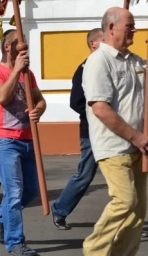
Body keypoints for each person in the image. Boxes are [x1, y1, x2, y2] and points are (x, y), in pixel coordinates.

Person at [82, 7, 147, 255]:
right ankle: (94, 249)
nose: (134, 30)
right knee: (125, 201)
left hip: (139, 146)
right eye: (129, 26)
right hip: (114, 144)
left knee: (138, 210)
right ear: (111, 28)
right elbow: (100, 108)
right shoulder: (99, 61)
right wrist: (137, 136)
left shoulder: (134, 60)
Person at [0, 29, 46, 256]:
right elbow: (1, 96)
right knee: (14, 191)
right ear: (7, 47)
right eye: (21, 47)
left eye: (26, 47)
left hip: (28, 138)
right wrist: (16, 71)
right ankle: (16, 242)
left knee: (31, 190)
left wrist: (38, 110)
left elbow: (40, 100)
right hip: (5, 140)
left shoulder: (28, 74)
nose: (25, 51)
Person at [51, 28, 103, 230]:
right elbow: (76, 102)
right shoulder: (84, 69)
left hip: (113, 131)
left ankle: (130, 222)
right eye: (103, 41)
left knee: (124, 175)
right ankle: (60, 209)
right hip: (91, 131)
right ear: (93, 44)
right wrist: (97, 113)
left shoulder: (108, 65)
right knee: (85, 174)